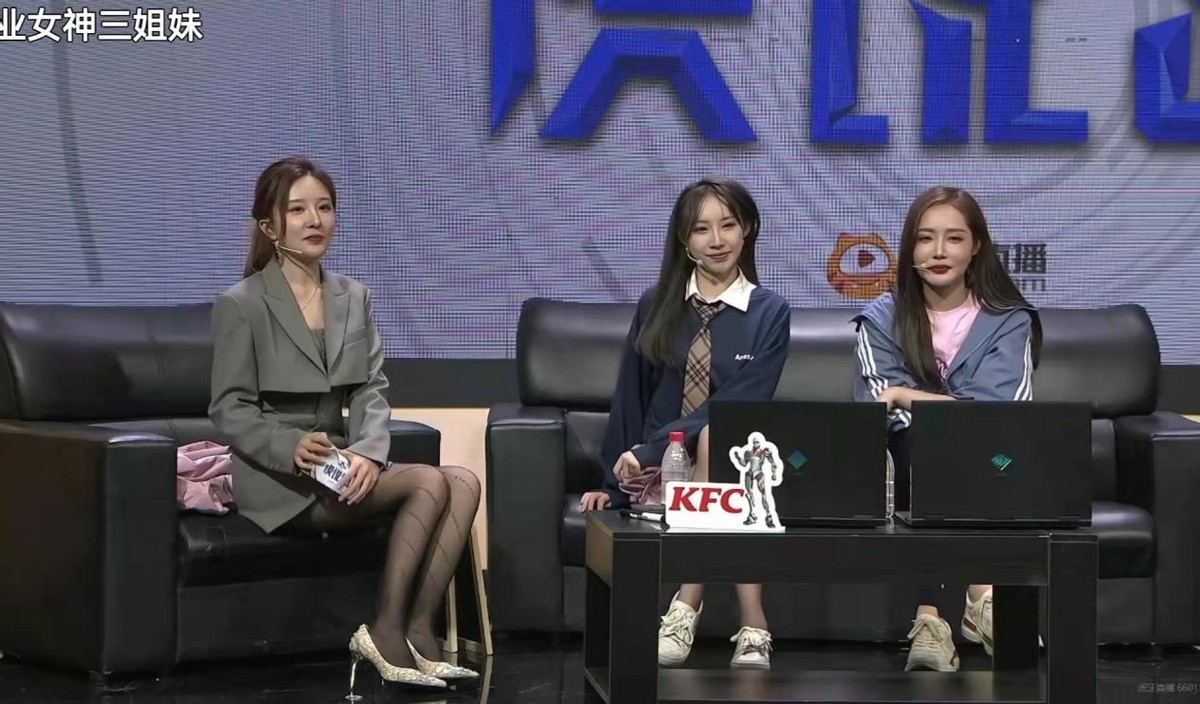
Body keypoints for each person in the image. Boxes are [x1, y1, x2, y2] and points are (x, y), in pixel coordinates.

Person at [209, 157, 481, 691]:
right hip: (280, 479)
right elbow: (230, 407)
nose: (315, 220)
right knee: (429, 480)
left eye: (325, 207)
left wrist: (367, 452)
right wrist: (290, 445)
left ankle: (420, 633)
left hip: (339, 464)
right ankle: (385, 632)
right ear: (269, 227)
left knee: (465, 482)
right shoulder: (242, 304)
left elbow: (371, 388)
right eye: (297, 210)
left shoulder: (353, 296)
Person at [578, 178, 791, 669]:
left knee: (724, 436)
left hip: (731, 459)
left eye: (728, 225)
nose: (717, 240)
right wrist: (612, 483)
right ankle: (754, 625)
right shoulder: (656, 305)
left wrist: (652, 448)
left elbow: (744, 400)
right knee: (724, 447)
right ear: (684, 240)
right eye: (701, 229)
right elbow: (631, 395)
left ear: (747, 229)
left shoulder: (770, 312)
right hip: (660, 472)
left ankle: (687, 602)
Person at [852, 186, 1042, 672]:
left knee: (972, 444)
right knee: (925, 442)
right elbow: (875, 409)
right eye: (925, 238)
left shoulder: (1008, 319)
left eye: (954, 238)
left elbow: (998, 412)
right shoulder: (881, 318)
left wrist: (906, 394)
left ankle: (933, 617)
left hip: (994, 454)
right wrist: (916, 407)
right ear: (909, 247)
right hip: (906, 457)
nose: (939, 251)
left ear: (976, 246)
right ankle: (977, 598)